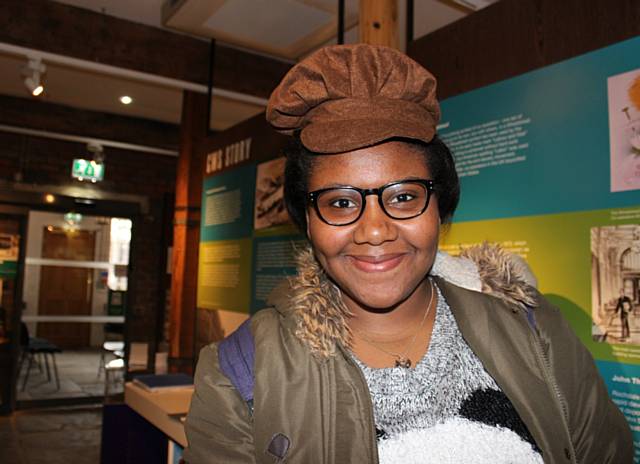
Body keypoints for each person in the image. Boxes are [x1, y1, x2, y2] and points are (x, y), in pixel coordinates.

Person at [184, 44, 632, 463]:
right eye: (341, 202)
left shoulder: (537, 332)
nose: (375, 231)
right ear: (307, 220)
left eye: (402, 197)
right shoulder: (238, 374)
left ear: (440, 206)